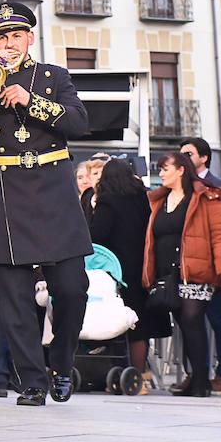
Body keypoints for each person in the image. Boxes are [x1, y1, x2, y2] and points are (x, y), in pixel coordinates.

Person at [0, 0, 90, 406]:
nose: (8, 43)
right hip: (4, 190)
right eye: (0, 37)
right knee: (12, 297)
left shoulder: (53, 76)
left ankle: (62, 363)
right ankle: (32, 380)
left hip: (52, 187)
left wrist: (32, 102)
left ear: (30, 38)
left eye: (15, 36)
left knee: (72, 288)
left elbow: (79, 122)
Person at [142, 151, 221, 397]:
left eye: (165, 168)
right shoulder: (158, 200)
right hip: (168, 271)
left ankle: (202, 381)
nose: (161, 173)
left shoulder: (206, 196)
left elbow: (219, 233)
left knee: (193, 319)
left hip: (197, 268)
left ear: (181, 170)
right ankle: (196, 377)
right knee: (184, 323)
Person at [88, 156, 156, 391]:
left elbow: (99, 234)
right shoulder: (141, 198)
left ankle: (116, 371)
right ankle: (139, 374)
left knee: (115, 319)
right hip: (140, 266)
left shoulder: (108, 201)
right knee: (139, 324)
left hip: (115, 269)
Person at [176, 137, 221, 393]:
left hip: (212, 266)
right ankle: (196, 373)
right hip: (188, 267)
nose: (183, 159)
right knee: (189, 322)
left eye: (188, 154)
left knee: (218, 320)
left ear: (204, 158)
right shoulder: (179, 190)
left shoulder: (220, 187)